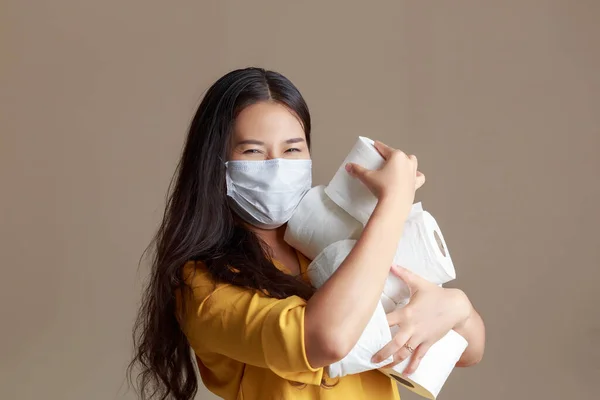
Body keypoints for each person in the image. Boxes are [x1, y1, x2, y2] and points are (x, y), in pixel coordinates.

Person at [128, 67, 485, 400]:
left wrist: (458, 307)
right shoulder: (204, 287)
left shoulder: (326, 237)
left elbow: (468, 350)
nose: (277, 166)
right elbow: (327, 339)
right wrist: (393, 202)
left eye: (292, 149)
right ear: (216, 164)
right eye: (253, 151)